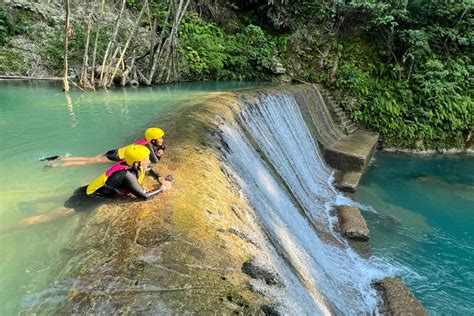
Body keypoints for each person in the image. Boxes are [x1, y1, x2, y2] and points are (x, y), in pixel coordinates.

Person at [4, 145, 173, 233]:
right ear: (136, 162)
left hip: (87, 190)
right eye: (145, 158)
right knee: (43, 218)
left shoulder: (129, 164)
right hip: (88, 199)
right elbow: (143, 196)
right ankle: (5, 230)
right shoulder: (127, 176)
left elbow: (148, 169)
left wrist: (159, 177)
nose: (148, 160)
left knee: (59, 197)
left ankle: (26, 202)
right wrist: (163, 188)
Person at [43, 127, 166, 167]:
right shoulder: (148, 145)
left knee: (88, 159)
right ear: (153, 139)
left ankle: (60, 158)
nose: (162, 140)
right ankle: (56, 165)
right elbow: (155, 161)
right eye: (160, 138)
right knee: (87, 162)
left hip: (114, 151)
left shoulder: (144, 141)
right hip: (115, 156)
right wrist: (160, 153)